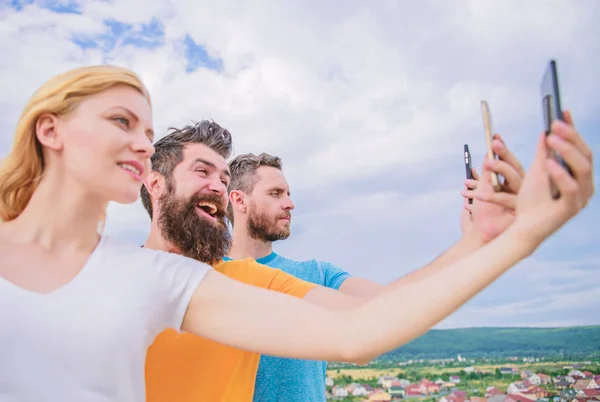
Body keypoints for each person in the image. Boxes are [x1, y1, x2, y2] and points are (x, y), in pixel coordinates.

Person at [0, 65, 593, 402]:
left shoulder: (175, 283)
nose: (137, 140)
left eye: (145, 130)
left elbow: (362, 327)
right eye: (121, 122)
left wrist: (510, 237)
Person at [141, 120, 520, 402]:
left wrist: (479, 241)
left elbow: (378, 316)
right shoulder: (110, 271)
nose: (290, 203)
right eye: (276, 193)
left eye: (223, 178)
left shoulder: (251, 279)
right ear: (155, 183)